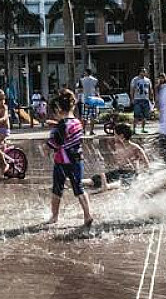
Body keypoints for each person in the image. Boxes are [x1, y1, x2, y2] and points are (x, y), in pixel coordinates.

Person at [44, 89, 93, 227]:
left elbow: (55, 143)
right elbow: (70, 134)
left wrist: (46, 147)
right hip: (77, 159)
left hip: (62, 162)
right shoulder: (77, 122)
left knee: (57, 188)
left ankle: (54, 216)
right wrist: (56, 125)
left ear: (59, 109)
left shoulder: (61, 125)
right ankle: (87, 215)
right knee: (79, 188)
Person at [83, 123, 150, 192]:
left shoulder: (135, 148)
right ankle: (80, 181)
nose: (114, 136)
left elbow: (147, 164)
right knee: (95, 180)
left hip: (131, 173)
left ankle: (107, 186)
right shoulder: (117, 145)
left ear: (121, 136)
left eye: (115, 135)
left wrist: (143, 175)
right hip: (119, 171)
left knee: (123, 182)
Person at [130, 68, 154, 134]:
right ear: (140, 72)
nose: (144, 73)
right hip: (137, 99)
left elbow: (150, 90)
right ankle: (134, 129)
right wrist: (132, 99)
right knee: (136, 115)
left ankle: (143, 129)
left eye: (145, 72)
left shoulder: (148, 80)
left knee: (145, 116)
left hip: (145, 99)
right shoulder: (135, 79)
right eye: (143, 72)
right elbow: (132, 89)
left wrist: (152, 99)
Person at [78, 69, 100, 136]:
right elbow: (97, 91)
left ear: (86, 73)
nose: (84, 74)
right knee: (92, 116)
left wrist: (79, 98)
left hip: (85, 100)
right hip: (93, 100)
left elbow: (80, 90)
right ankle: (91, 131)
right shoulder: (95, 80)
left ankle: (83, 130)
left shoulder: (81, 80)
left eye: (84, 73)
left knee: (84, 116)